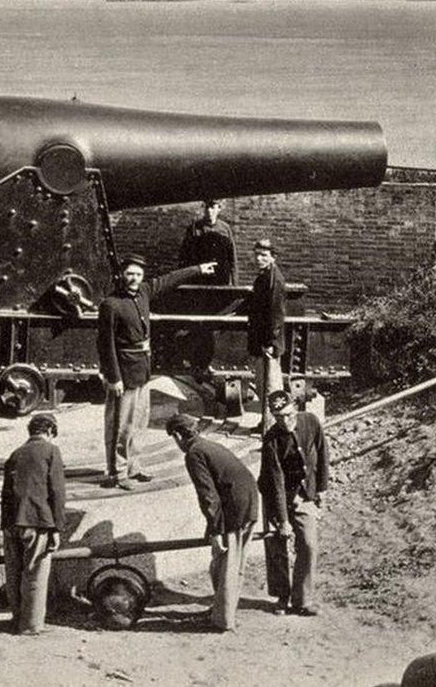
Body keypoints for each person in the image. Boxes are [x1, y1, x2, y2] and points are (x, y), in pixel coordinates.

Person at [97, 254, 217, 490]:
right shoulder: (111, 304)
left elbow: (169, 279)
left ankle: (135, 466)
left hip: (141, 371)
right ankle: (117, 473)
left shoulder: (143, 291)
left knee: (138, 424)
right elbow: (105, 344)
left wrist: (198, 267)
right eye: (130, 273)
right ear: (122, 274)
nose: (134, 278)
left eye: (138, 274)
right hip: (123, 374)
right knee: (120, 427)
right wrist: (114, 378)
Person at [166, 413, 258, 632]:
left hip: (235, 507)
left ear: (179, 435)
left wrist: (216, 531)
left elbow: (208, 495)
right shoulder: (208, 445)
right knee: (228, 563)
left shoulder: (194, 453)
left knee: (226, 561)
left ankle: (223, 620)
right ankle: (222, 610)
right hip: (248, 501)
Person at [257, 390, 328, 617]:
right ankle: (282, 596)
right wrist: (283, 520)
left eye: (287, 415)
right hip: (276, 496)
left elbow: (323, 453)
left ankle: (303, 600)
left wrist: (322, 489)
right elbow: (275, 482)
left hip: (304, 493)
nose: (284, 421)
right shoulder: (271, 439)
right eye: (278, 417)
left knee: (308, 544)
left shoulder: (311, 422)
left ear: (295, 409)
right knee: (278, 545)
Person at [1, 413, 66, 635]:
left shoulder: (15, 454)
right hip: (37, 522)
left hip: (12, 523)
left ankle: (16, 618)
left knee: (14, 573)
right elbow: (57, 492)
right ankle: (30, 626)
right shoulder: (51, 451)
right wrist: (57, 527)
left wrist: (5, 525)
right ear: (49, 432)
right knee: (35, 573)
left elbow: (6, 493)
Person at [246, 239, 286, 434]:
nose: (259, 258)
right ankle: (267, 422)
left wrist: (271, 342)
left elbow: (277, 314)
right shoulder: (264, 277)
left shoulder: (274, 280)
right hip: (262, 341)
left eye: (264, 255)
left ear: (273, 257)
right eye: (257, 254)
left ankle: (274, 426)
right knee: (262, 385)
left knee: (270, 385)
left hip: (268, 343)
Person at [178, 198, 238, 285]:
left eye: (213, 207)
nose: (209, 211)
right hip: (200, 275)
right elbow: (185, 256)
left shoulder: (225, 228)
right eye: (207, 207)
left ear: (219, 209)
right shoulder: (194, 228)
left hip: (220, 275)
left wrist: (234, 282)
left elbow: (232, 256)